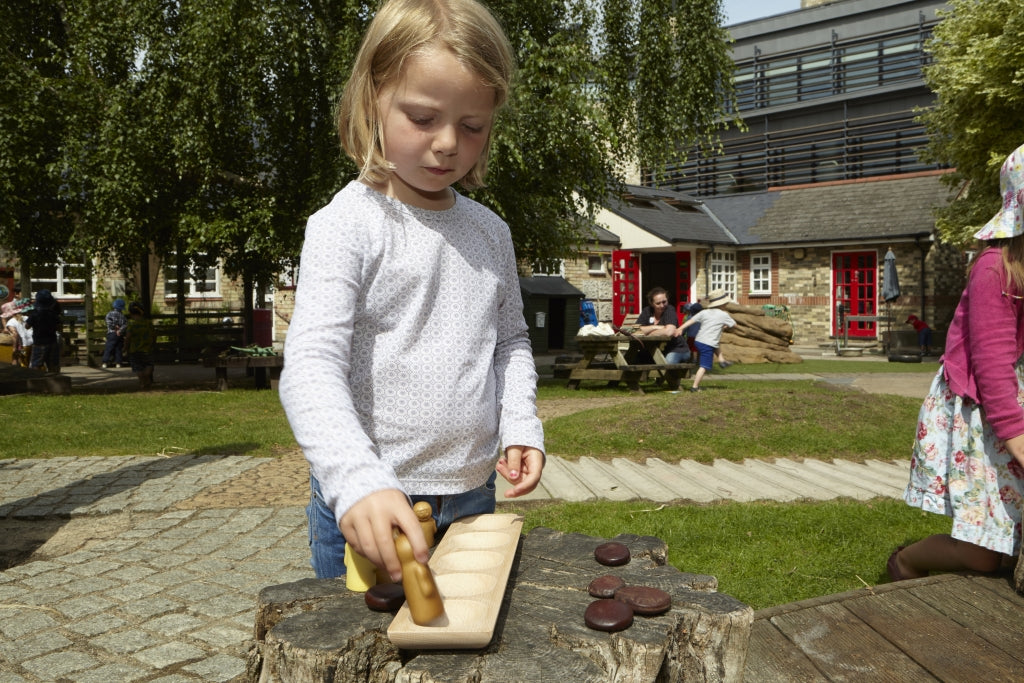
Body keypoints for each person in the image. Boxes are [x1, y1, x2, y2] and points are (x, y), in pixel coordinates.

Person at [278, 0, 545, 583]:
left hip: (473, 498)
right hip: (373, 505)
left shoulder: (489, 231)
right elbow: (310, 365)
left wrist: (521, 424)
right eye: (422, 118)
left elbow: (512, 343)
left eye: (472, 126)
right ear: (372, 98)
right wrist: (356, 482)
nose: (448, 143)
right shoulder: (345, 224)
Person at [887, 143, 1024, 582]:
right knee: (982, 553)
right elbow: (993, 371)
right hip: (983, 413)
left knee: (1006, 540)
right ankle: (906, 560)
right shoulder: (994, 269)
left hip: (1011, 403)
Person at [676, 289, 736, 392]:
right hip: (708, 343)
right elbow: (734, 325)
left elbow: (691, 320)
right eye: (726, 303)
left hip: (699, 341)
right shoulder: (724, 315)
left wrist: (680, 328)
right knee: (704, 366)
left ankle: (722, 361)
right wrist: (726, 326)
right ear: (722, 304)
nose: (726, 305)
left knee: (716, 344)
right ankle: (695, 387)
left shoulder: (704, 312)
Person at [636, 287, 690, 363]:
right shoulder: (647, 311)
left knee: (666, 364)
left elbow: (669, 332)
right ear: (652, 303)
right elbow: (636, 330)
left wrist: (648, 333)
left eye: (664, 302)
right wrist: (656, 327)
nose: (662, 305)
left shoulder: (669, 309)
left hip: (676, 349)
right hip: (654, 349)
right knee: (635, 361)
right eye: (658, 303)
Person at [25, 289, 62, 372]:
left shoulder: (35, 314)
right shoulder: (53, 314)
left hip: (39, 342)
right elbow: (59, 327)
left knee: (36, 364)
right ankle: (55, 380)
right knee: (53, 364)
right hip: (52, 341)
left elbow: (27, 326)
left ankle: (37, 381)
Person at [124, 301, 155, 389]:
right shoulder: (148, 323)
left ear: (130, 313)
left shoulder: (131, 325)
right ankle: (147, 376)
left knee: (138, 368)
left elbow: (128, 338)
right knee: (149, 365)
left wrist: (125, 348)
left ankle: (142, 383)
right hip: (147, 349)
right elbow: (153, 334)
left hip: (135, 350)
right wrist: (153, 344)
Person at [101, 298, 128, 368]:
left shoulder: (109, 314)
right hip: (120, 335)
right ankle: (118, 363)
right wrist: (120, 330)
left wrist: (115, 327)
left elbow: (108, 323)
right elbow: (125, 325)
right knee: (118, 348)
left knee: (109, 348)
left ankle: (105, 362)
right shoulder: (123, 316)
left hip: (111, 333)